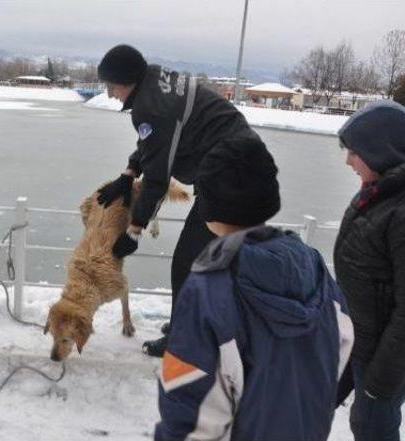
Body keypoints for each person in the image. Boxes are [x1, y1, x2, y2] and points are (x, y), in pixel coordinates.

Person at [155, 138, 354, 441]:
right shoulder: (313, 267)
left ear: (207, 206)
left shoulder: (209, 289)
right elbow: (345, 345)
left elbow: (190, 405)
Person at [95, 44, 264, 357]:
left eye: (111, 86)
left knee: (188, 261)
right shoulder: (154, 80)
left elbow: (158, 179)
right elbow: (155, 141)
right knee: (202, 258)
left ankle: (185, 339)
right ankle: (191, 323)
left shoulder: (151, 106)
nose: (109, 94)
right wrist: (129, 173)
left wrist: (134, 230)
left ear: (127, 80)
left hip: (232, 179)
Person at [334, 100, 405, 441]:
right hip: (364, 340)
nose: (347, 160)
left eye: (353, 152)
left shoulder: (400, 210)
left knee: (373, 426)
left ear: (380, 151)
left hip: (384, 355)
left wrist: (380, 381)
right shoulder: (378, 194)